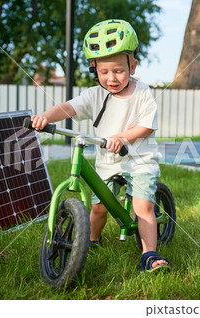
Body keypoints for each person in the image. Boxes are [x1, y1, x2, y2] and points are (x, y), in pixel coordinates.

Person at [30, 19, 171, 272]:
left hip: (138, 160)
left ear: (133, 65)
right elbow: (68, 107)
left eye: (118, 70)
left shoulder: (142, 93)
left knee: (143, 208)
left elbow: (146, 126)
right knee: (97, 208)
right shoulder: (94, 95)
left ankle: (149, 254)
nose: (111, 78)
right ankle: (92, 241)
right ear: (94, 69)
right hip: (108, 162)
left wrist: (123, 137)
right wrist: (46, 117)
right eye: (104, 72)